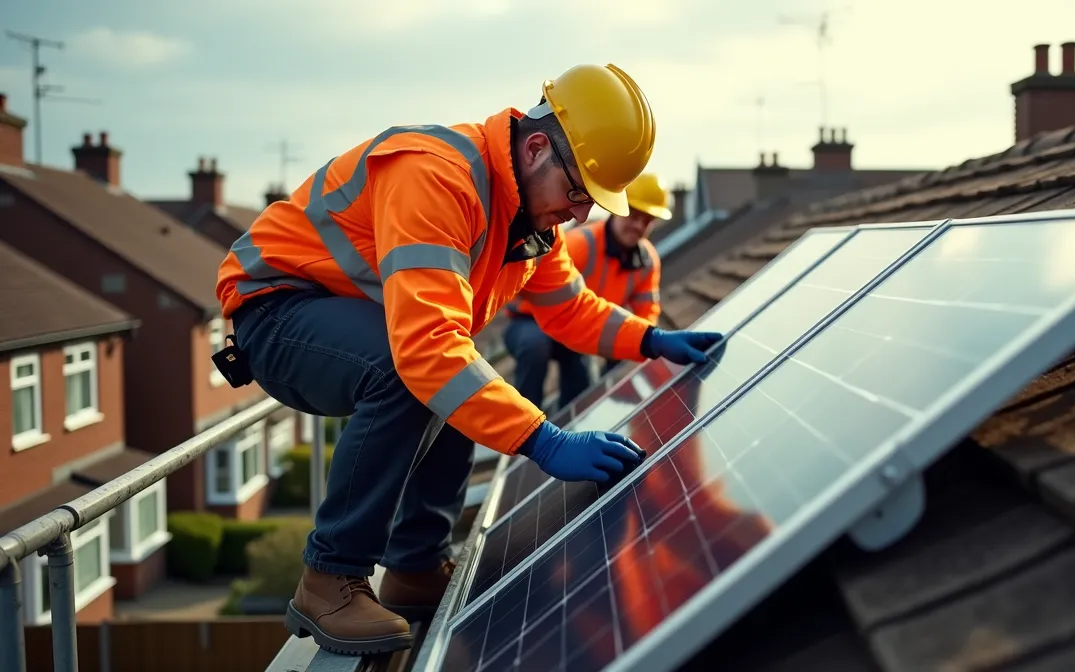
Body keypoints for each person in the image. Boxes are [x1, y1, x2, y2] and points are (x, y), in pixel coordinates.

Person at [211, 63, 723, 656]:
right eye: (579, 192)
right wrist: (543, 440)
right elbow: (426, 348)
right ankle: (329, 577)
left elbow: (571, 309)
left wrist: (652, 341)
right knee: (412, 370)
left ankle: (412, 567)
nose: (581, 215)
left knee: (454, 380)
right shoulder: (438, 176)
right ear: (536, 149)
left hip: (350, 323)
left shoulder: (527, 226)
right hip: (277, 313)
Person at [502, 172, 672, 409]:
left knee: (587, 375)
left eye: (647, 221)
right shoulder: (580, 243)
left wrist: (645, 345)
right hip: (530, 321)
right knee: (535, 346)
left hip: (581, 327)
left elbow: (646, 314)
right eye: (634, 215)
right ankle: (525, 424)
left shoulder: (647, 262)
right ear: (618, 208)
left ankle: (572, 428)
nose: (638, 226)